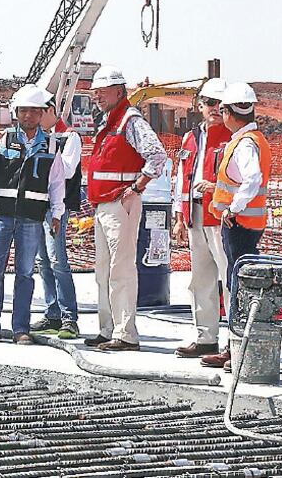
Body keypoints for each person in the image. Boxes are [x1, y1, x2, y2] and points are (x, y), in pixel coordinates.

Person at [0, 84, 68, 345]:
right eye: (24, 111)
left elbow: (57, 183)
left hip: (31, 219)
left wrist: (56, 213)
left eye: (34, 112)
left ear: (41, 114)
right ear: (16, 112)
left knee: (24, 274)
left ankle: (20, 328)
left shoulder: (52, 146)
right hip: (1, 216)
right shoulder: (3, 140)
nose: (28, 116)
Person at [84, 65, 167, 352]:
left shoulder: (130, 121)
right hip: (105, 204)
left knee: (121, 270)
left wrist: (136, 188)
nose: (96, 96)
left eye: (102, 91)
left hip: (120, 203)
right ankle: (108, 330)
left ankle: (126, 334)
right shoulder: (109, 121)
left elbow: (157, 155)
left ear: (119, 92)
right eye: (95, 91)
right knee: (104, 271)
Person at [200, 81, 271, 369]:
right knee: (240, 283)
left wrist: (232, 207)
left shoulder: (245, 144)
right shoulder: (252, 140)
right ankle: (237, 347)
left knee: (239, 286)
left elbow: (251, 179)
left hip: (240, 225)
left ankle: (237, 348)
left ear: (228, 112)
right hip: (247, 223)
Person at [171, 79, 232, 358]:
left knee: (230, 280)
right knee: (200, 280)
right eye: (210, 103)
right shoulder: (191, 138)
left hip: (222, 217)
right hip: (195, 214)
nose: (215, 109)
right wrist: (179, 218)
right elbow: (181, 179)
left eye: (220, 104)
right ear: (200, 105)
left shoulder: (233, 137)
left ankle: (235, 343)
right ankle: (206, 338)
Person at [30, 97, 82, 339]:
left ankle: (69, 316)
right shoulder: (38, 138)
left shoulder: (69, 137)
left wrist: (47, 153)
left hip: (56, 205)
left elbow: (68, 170)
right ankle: (53, 313)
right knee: (43, 260)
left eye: (40, 112)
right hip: (37, 204)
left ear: (50, 110)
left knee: (57, 258)